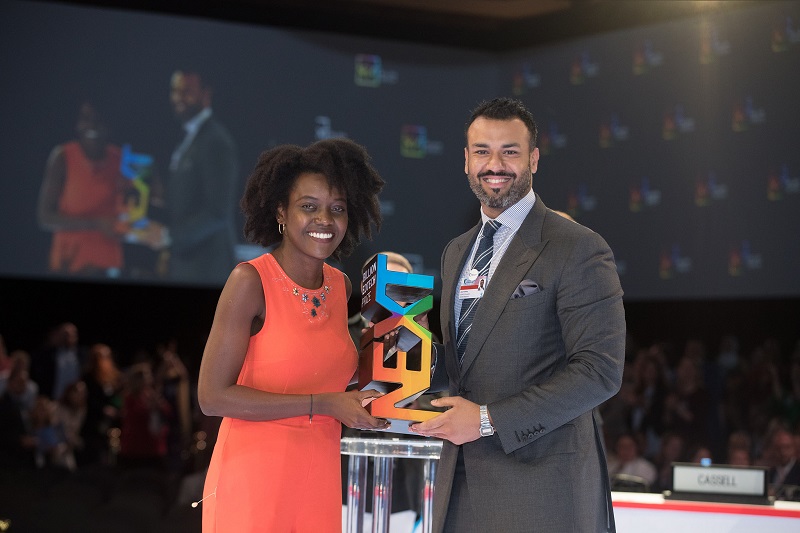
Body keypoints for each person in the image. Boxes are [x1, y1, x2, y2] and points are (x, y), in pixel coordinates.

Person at [410, 97, 626, 533]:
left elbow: (600, 372)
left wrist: (488, 420)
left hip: (543, 490)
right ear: (466, 161)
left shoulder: (577, 247)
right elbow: (467, 368)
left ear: (533, 159)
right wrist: (399, 391)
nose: (495, 164)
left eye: (510, 151)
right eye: (482, 151)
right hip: (459, 486)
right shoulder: (456, 251)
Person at [197, 138, 387, 532]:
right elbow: (212, 397)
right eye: (309, 206)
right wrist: (328, 404)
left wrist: (393, 365)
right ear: (281, 212)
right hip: (253, 482)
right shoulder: (250, 281)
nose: (325, 220)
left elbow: (324, 374)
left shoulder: (340, 286)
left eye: (337, 209)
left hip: (317, 480)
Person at [161, 68, 239, 284]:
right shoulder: (188, 137)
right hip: (187, 265)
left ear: (206, 94)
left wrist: (168, 237)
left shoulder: (215, 141)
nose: (178, 98)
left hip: (207, 270)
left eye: (186, 91)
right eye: (175, 91)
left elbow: (217, 211)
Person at [37, 100, 127, 276]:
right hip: (68, 266)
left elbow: (134, 208)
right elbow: (44, 217)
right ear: (77, 124)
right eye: (86, 118)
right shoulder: (62, 157)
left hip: (109, 266)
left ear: (109, 125)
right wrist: (95, 223)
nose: (92, 125)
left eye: (99, 119)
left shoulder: (122, 159)